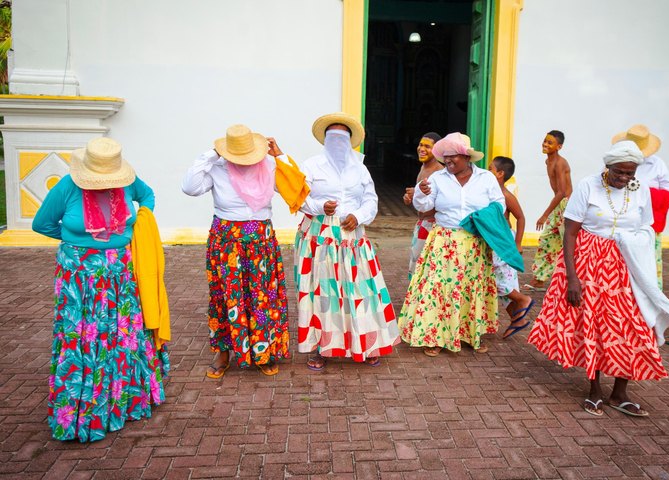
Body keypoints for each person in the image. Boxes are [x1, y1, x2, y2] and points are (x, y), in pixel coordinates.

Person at [32, 137, 168, 442]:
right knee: (83, 334)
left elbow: (148, 197)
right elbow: (42, 224)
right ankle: (85, 410)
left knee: (122, 335)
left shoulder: (129, 183)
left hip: (121, 274)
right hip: (80, 277)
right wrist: (78, 242)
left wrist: (139, 225)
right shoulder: (68, 186)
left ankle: (124, 403)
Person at [528, 141, 669, 418]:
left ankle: (620, 392)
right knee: (593, 326)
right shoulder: (588, 185)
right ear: (607, 167)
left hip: (627, 265)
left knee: (632, 326)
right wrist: (572, 278)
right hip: (589, 264)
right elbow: (570, 233)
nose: (624, 178)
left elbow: (647, 229)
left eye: (629, 174)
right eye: (619, 172)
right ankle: (594, 390)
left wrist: (645, 269)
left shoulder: (640, 190)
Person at [182, 124, 290, 378]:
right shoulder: (218, 168)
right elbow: (190, 187)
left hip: (260, 240)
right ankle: (223, 352)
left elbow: (294, 185)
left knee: (262, 295)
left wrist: (280, 156)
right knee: (225, 295)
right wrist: (210, 155)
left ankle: (264, 352)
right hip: (226, 241)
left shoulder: (268, 166)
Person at [295, 112, 400, 371]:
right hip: (318, 238)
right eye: (332, 137)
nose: (337, 143)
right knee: (321, 293)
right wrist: (320, 206)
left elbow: (371, 199)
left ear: (351, 141)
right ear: (324, 141)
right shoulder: (311, 166)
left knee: (360, 291)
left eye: (343, 137)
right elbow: (299, 197)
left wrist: (358, 215)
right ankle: (319, 348)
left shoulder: (360, 168)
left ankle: (366, 345)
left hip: (352, 236)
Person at [399, 132, 503, 356]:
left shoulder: (486, 178)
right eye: (445, 157)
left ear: (467, 157)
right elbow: (424, 206)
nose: (448, 161)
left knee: (469, 289)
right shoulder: (437, 179)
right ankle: (433, 337)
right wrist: (421, 194)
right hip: (444, 241)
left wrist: (483, 219)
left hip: (475, 242)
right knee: (438, 290)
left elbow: (499, 205)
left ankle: (470, 335)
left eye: (453, 156)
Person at [612, 125, 669, 289]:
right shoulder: (615, 161)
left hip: (648, 221)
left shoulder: (657, 163)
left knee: (649, 260)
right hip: (621, 219)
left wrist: (651, 197)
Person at [488, 156, 535, 338]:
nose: (487, 170)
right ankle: (518, 320)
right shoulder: (488, 192)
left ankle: (524, 299)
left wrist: (518, 243)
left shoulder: (506, 195)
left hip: (504, 242)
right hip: (494, 240)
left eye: (491, 168)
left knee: (498, 281)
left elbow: (521, 217)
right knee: (503, 282)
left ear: (500, 174)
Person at [524, 130, 572, 291]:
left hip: (566, 206)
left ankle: (573, 279)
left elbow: (562, 192)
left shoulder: (560, 163)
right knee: (548, 241)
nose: (545, 144)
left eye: (550, 143)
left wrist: (545, 215)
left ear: (559, 147)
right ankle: (539, 279)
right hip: (560, 206)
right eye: (545, 141)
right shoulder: (548, 161)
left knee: (568, 244)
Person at [403, 132, 443, 279]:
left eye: (428, 146)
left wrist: (418, 192)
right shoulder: (423, 168)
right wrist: (410, 197)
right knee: (417, 267)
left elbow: (441, 200)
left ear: (437, 149)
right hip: (421, 224)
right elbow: (419, 198)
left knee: (426, 269)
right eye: (420, 145)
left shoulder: (439, 172)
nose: (422, 149)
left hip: (432, 226)